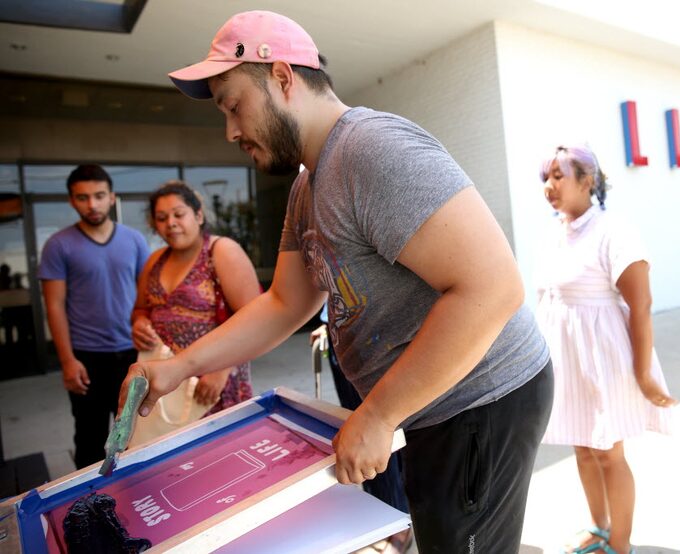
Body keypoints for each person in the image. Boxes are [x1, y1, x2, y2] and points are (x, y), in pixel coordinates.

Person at [121, 10, 552, 553]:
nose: (231, 131)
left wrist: (378, 414)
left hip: (480, 399)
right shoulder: (308, 187)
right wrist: (178, 367)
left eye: (233, 106)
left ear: (281, 77)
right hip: (431, 404)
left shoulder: (373, 150)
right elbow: (283, 303)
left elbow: (493, 288)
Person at [534, 145, 675, 554]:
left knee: (609, 452)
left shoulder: (614, 231)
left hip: (603, 358)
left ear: (587, 180)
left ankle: (620, 544)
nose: (549, 186)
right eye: (546, 177)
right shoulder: (556, 235)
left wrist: (644, 373)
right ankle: (598, 528)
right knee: (582, 446)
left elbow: (641, 303)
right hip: (568, 360)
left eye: (559, 176)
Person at [39, 164, 150, 469]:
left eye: (99, 196)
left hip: (132, 354)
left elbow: (147, 298)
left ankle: (136, 500)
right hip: (85, 359)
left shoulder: (135, 240)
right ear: (72, 201)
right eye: (83, 197)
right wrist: (66, 361)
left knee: (135, 435)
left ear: (112, 197)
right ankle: (88, 505)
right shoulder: (58, 245)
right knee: (89, 441)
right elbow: (54, 306)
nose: (92, 204)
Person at [131, 181, 260, 413]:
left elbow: (257, 321)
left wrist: (221, 371)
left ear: (199, 216)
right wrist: (139, 323)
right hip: (168, 385)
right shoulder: (155, 260)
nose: (170, 223)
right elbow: (140, 309)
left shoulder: (221, 251)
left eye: (179, 214)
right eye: (161, 218)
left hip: (213, 382)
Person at [311, 309, 411, 553]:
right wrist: (327, 321)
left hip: (375, 337)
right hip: (341, 331)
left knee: (380, 441)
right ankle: (382, 518)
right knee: (357, 430)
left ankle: (396, 522)